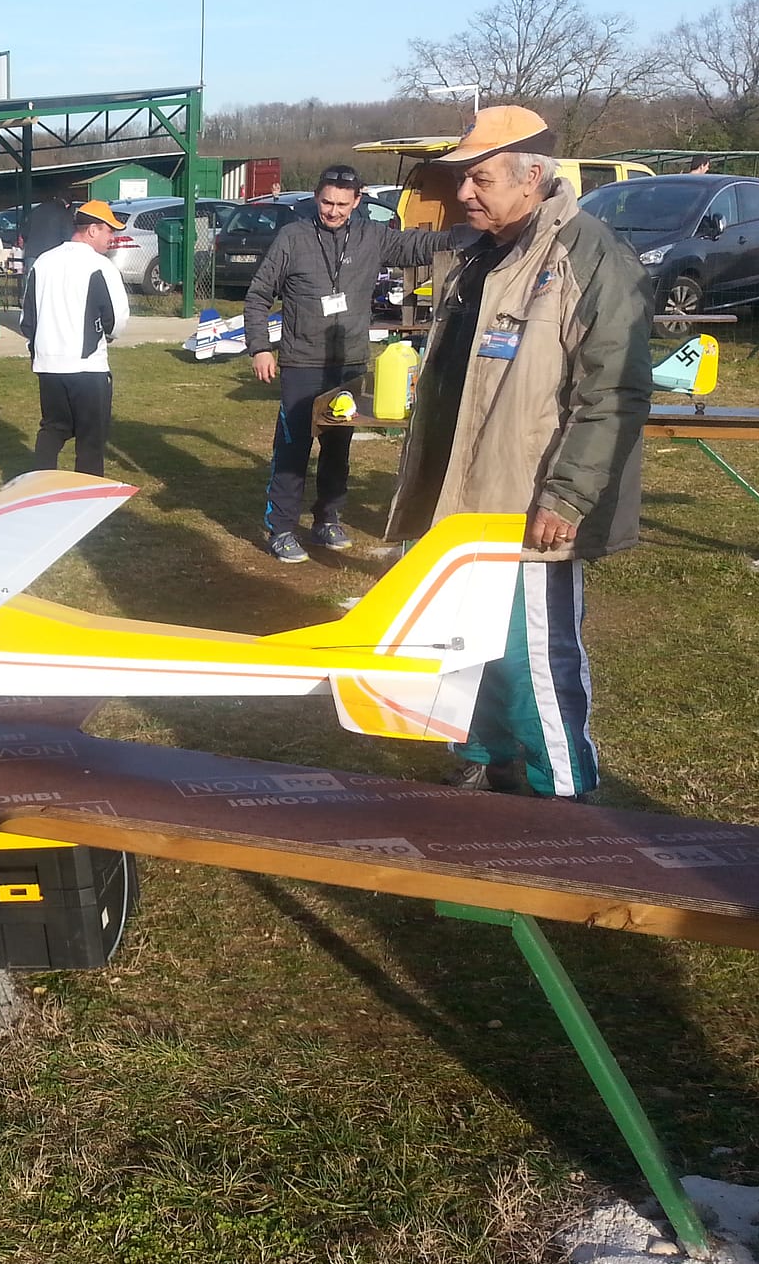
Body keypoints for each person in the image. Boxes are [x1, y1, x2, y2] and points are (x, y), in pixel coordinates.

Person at [384, 107, 652, 803]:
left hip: (528, 499)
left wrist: (568, 494)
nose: (463, 193)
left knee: (532, 657)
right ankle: (484, 758)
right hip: (458, 498)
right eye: (462, 179)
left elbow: (614, 391)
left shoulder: (589, 255)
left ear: (533, 177)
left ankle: (561, 792)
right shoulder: (479, 253)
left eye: (480, 179)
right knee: (459, 641)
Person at [245, 166, 456, 562]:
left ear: (357, 201)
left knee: (338, 446)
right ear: (316, 197)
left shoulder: (371, 236)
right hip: (302, 363)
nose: (333, 211)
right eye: (327, 202)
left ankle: (327, 518)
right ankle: (282, 528)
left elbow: (416, 245)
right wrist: (260, 347)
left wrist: (466, 235)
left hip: (349, 362)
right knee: (292, 447)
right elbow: (258, 295)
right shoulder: (292, 237)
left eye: (343, 204)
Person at [19, 200, 131, 475]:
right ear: (92, 230)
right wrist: (104, 335)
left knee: (53, 429)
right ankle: (87, 494)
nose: (112, 238)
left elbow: (26, 320)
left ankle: (41, 485)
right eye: (108, 230)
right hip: (87, 367)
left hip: (48, 365)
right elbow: (116, 321)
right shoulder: (101, 266)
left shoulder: (43, 262)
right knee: (90, 440)